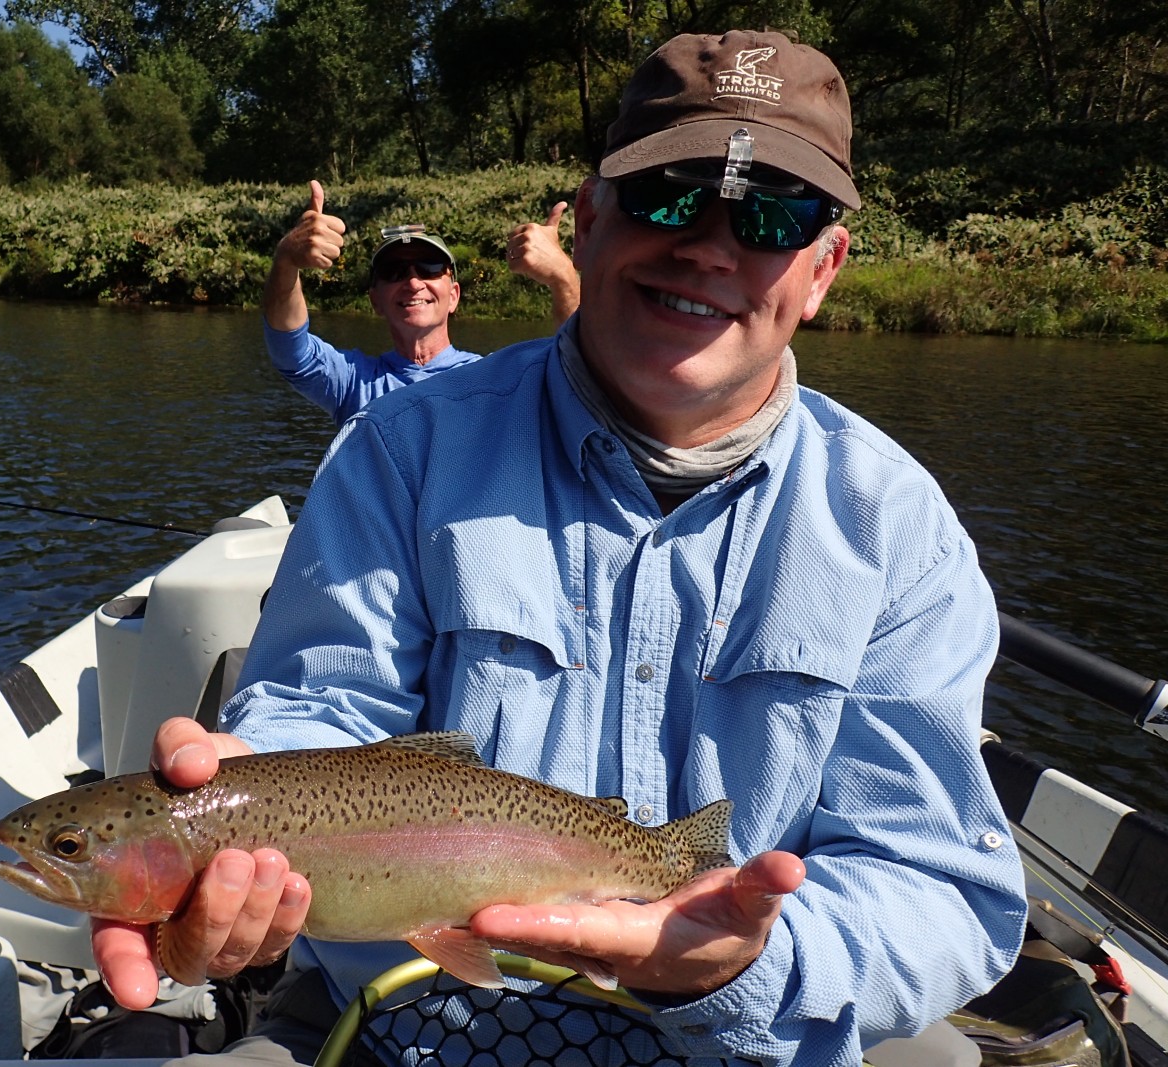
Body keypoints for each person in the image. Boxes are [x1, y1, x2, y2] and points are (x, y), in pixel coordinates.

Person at [95, 29, 1028, 1066]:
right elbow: (322, 708)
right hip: (409, 1030)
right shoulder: (401, 449)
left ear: (821, 269)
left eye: (771, 214)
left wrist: (737, 962)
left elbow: (939, 888)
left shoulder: (894, 527)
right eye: (668, 193)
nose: (709, 247)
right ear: (585, 221)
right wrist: (248, 796)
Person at [263, 184, 580, 426]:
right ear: (376, 300)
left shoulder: (496, 378)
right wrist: (286, 259)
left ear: (454, 295)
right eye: (394, 272)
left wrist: (563, 277)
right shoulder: (351, 380)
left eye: (428, 268)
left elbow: (580, 373)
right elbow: (289, 348)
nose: (413, 282)